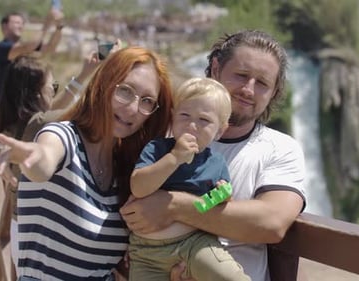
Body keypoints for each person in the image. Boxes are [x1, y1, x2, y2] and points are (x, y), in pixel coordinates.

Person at [120, 30, 307, 281]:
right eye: (241, 75)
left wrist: (173, 206)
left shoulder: (280, 148)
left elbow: (271, 223)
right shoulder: (166, 136)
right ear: (216, 68)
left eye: (262, 83)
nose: (248, 90)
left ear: (273, 92)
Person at [0, 46, 173, 280]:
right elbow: (45, 157)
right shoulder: (64, 137)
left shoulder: (125, 166)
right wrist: (31, 156)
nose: (132, 109)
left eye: (147, 100)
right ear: (103, 84)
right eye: (125, 91)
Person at [129, 77, 250, 280]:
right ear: (172, 118)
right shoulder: (157, 149)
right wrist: (174, 158)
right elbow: (138, 188)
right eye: (184, 115)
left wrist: (222, 195)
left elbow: (209, 206)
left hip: (196, 243)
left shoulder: (216, 163)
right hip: (146, 254)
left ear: (220, 130)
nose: (192, 125)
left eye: (204, 120)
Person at [0, 6, 64, 109]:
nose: (21, 26)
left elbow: (50, 48)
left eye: (22, 23)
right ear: (4, 26)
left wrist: (59, 27)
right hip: (8, 110)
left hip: (26, 108)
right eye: (17, 23)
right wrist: (47, 22)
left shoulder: (26, 48)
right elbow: (30, 46)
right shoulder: (2, 48)